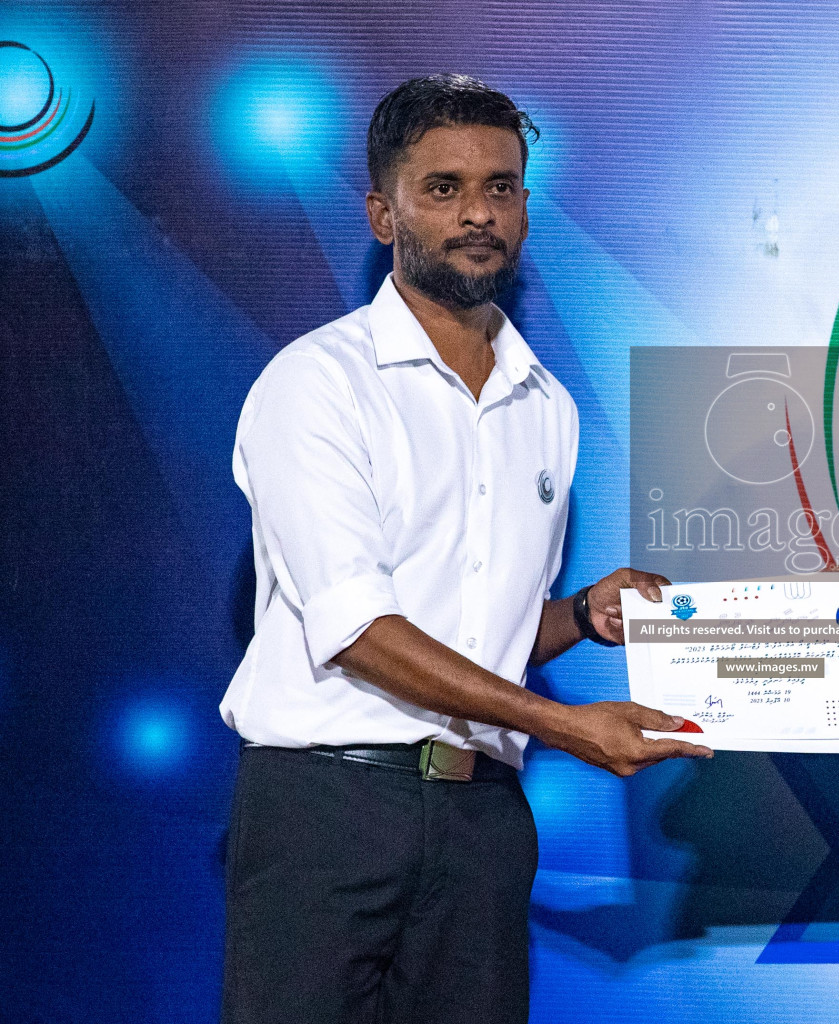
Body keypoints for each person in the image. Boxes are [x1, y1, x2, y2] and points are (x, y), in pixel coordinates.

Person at [219, 75, 711, 1024]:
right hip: (329, 808)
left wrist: (581, 617)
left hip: (484, 818)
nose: (478, 212)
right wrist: (569, 727)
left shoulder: (548, 406)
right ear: (381, 212)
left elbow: (480, 629)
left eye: (502, 186)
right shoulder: (317, 383)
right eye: (442, 188)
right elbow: (359, 629)